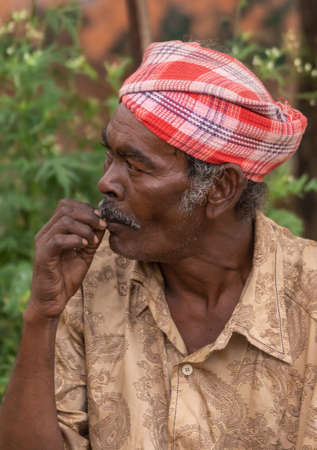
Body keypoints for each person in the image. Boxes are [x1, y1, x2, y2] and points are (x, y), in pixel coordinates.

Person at [0, 40, 316, 450]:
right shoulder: (87, 286)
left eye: (134, 165)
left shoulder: (308, 299)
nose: (106, 182)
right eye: (109, 157)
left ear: (219, 188)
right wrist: (41, 316)